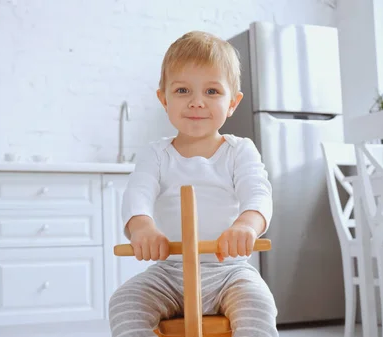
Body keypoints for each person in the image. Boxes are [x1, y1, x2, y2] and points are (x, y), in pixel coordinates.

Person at [108, 30, 279, 337]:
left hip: (230, 271)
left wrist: (246, 226)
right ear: (164, 99)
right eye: (183, 90)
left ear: (232, 102)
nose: (197, 102)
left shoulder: (240, 150)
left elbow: (258, 193)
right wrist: (142, 228)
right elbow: (138, 193)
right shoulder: (155, 154)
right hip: (169, 273)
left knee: (259, 304)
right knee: (124, 302)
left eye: (212, 92)